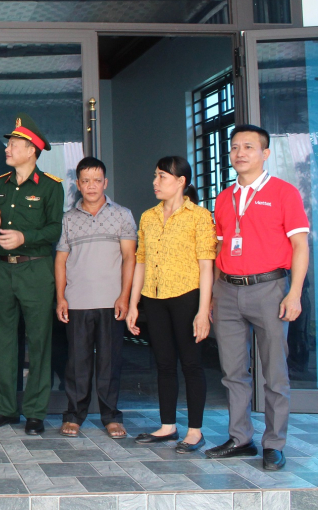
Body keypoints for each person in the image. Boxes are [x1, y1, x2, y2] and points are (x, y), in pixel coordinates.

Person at [205, 125, 310, 471]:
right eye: (235, 147)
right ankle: (240, 437)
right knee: (233, 371)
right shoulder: (223, 197)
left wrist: (294, 293)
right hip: (229, 290)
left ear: (265, 154)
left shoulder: (284, 193)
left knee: (275, 373)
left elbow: (299, 246)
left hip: (269, 289)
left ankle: (274, 443)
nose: (240, 153)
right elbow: (221, 245)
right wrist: (215, 296)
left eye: (249, 147)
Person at [0, 113, 63, 435]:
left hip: (36, 270)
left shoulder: (50, 187)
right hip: (2, 271)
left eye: (14, 144)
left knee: (39, 342)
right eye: (9, 143)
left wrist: (24, 237)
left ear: (33, 150)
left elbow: (55, 228)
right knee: (2, 343)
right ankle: (5, 409)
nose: (8, 149)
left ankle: (35, 412)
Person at [126, 156, 216, 453]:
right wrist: (133, 303)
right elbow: (140, 261)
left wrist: (203, 311)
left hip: (187, 297)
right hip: (154, 297)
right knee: (164, 364)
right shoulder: (148, 216)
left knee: (191, 364)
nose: (155, 182)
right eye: (155, 176)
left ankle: (195, 431)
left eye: (162, 176)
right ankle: (167, 426)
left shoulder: (199, 216)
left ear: (181, 182)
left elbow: (206, 266)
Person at [55, 157, 137, 439]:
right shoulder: (68, 219)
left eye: (97, 180)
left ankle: (111, 417)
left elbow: (130, 258)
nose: (91, 186)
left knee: (109, 362)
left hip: (111, 301)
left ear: (105, 183)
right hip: (77, 301)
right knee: (76, 363)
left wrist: (124, 297)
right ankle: (74, 415)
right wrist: (61, 297)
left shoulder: (123, 214)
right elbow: (61, 261)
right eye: (85, 180)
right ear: (78, 184)